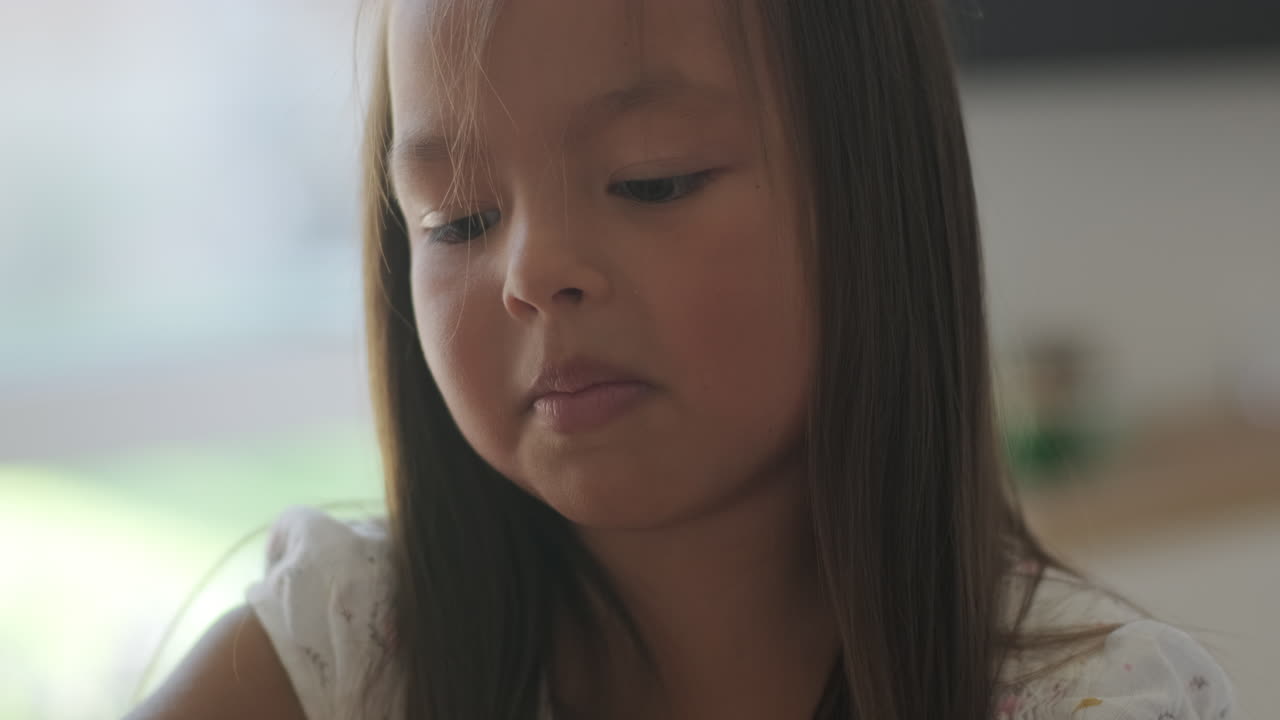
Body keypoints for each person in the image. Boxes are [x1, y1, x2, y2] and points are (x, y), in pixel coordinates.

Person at [125, 0, 1240, 718]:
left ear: (876, 197)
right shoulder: (341, 657)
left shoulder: (1096, 702)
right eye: (458, 218)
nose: (532, 273)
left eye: (651, 179)